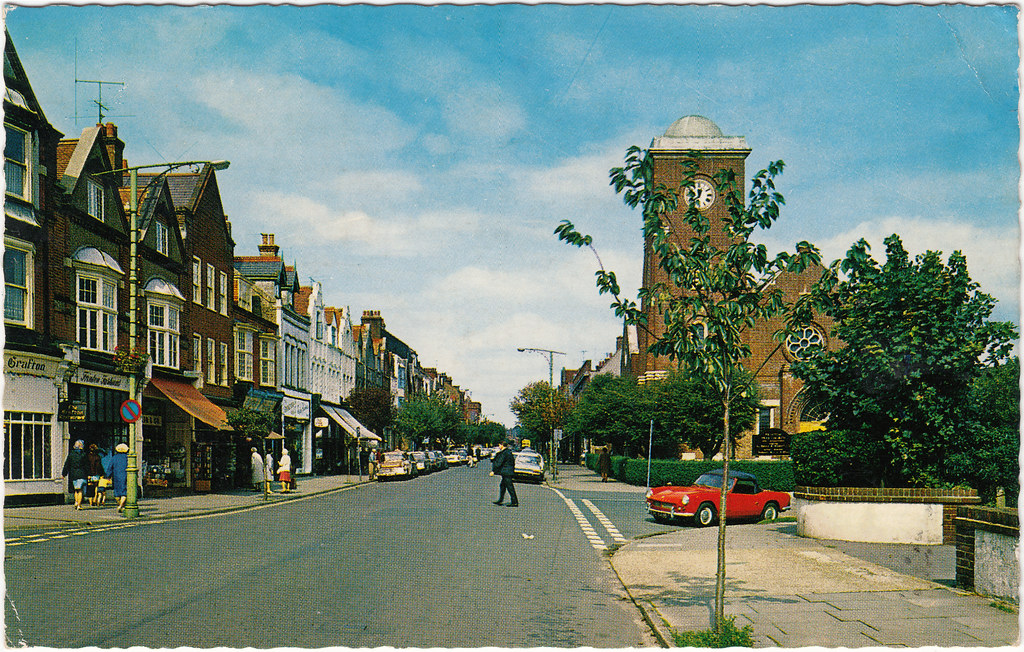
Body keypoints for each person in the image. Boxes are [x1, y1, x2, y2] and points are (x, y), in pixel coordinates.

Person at [489, 440, 518, 507]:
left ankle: (514, 502)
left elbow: (500, 462)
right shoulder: (508, 452)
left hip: (506, 472)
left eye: (499, 445)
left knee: (510, 487)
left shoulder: (505, 453)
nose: (499, 446)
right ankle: (500, 500)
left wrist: (494, 471)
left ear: (502, 445)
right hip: (508, 472)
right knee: (502, 486)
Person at [61, 440, 88, 510]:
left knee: (76, 490)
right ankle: (79, 505)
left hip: (73, 474)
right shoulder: (83, 455)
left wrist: (64, 474)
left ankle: (76, 502)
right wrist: (89, 474)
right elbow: (86, 465)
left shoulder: (71, 455)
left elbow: (67, 464)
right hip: (82, 474)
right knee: (80, 490)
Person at [111, 443, 129, 513]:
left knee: (117, 491)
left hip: (116, 476)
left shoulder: (114, 457)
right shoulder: (128, 457)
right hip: (125, 475)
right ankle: (121, 505)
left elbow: (110, 467)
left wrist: (107, 476)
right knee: (124, 492)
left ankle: (120, 504)